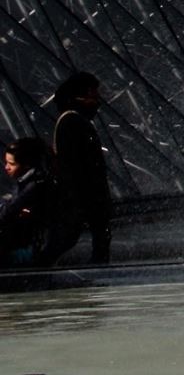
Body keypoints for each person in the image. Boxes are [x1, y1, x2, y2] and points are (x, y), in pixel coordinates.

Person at [47, 71, 112, 263]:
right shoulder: (72, 121)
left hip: (84, 193)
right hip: (83, 194)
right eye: (94, 92)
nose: (97, 97)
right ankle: (38, 268)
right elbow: (74, 163)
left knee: (93, 235)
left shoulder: (74, 119)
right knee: (71, 236)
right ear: (82, 92)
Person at [0, 137, 59, 266]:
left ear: (27, 165)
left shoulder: (34, 186)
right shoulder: (32, 180)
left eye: (12, 164)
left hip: (29, 251)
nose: (6, 167)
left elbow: (7, 212)